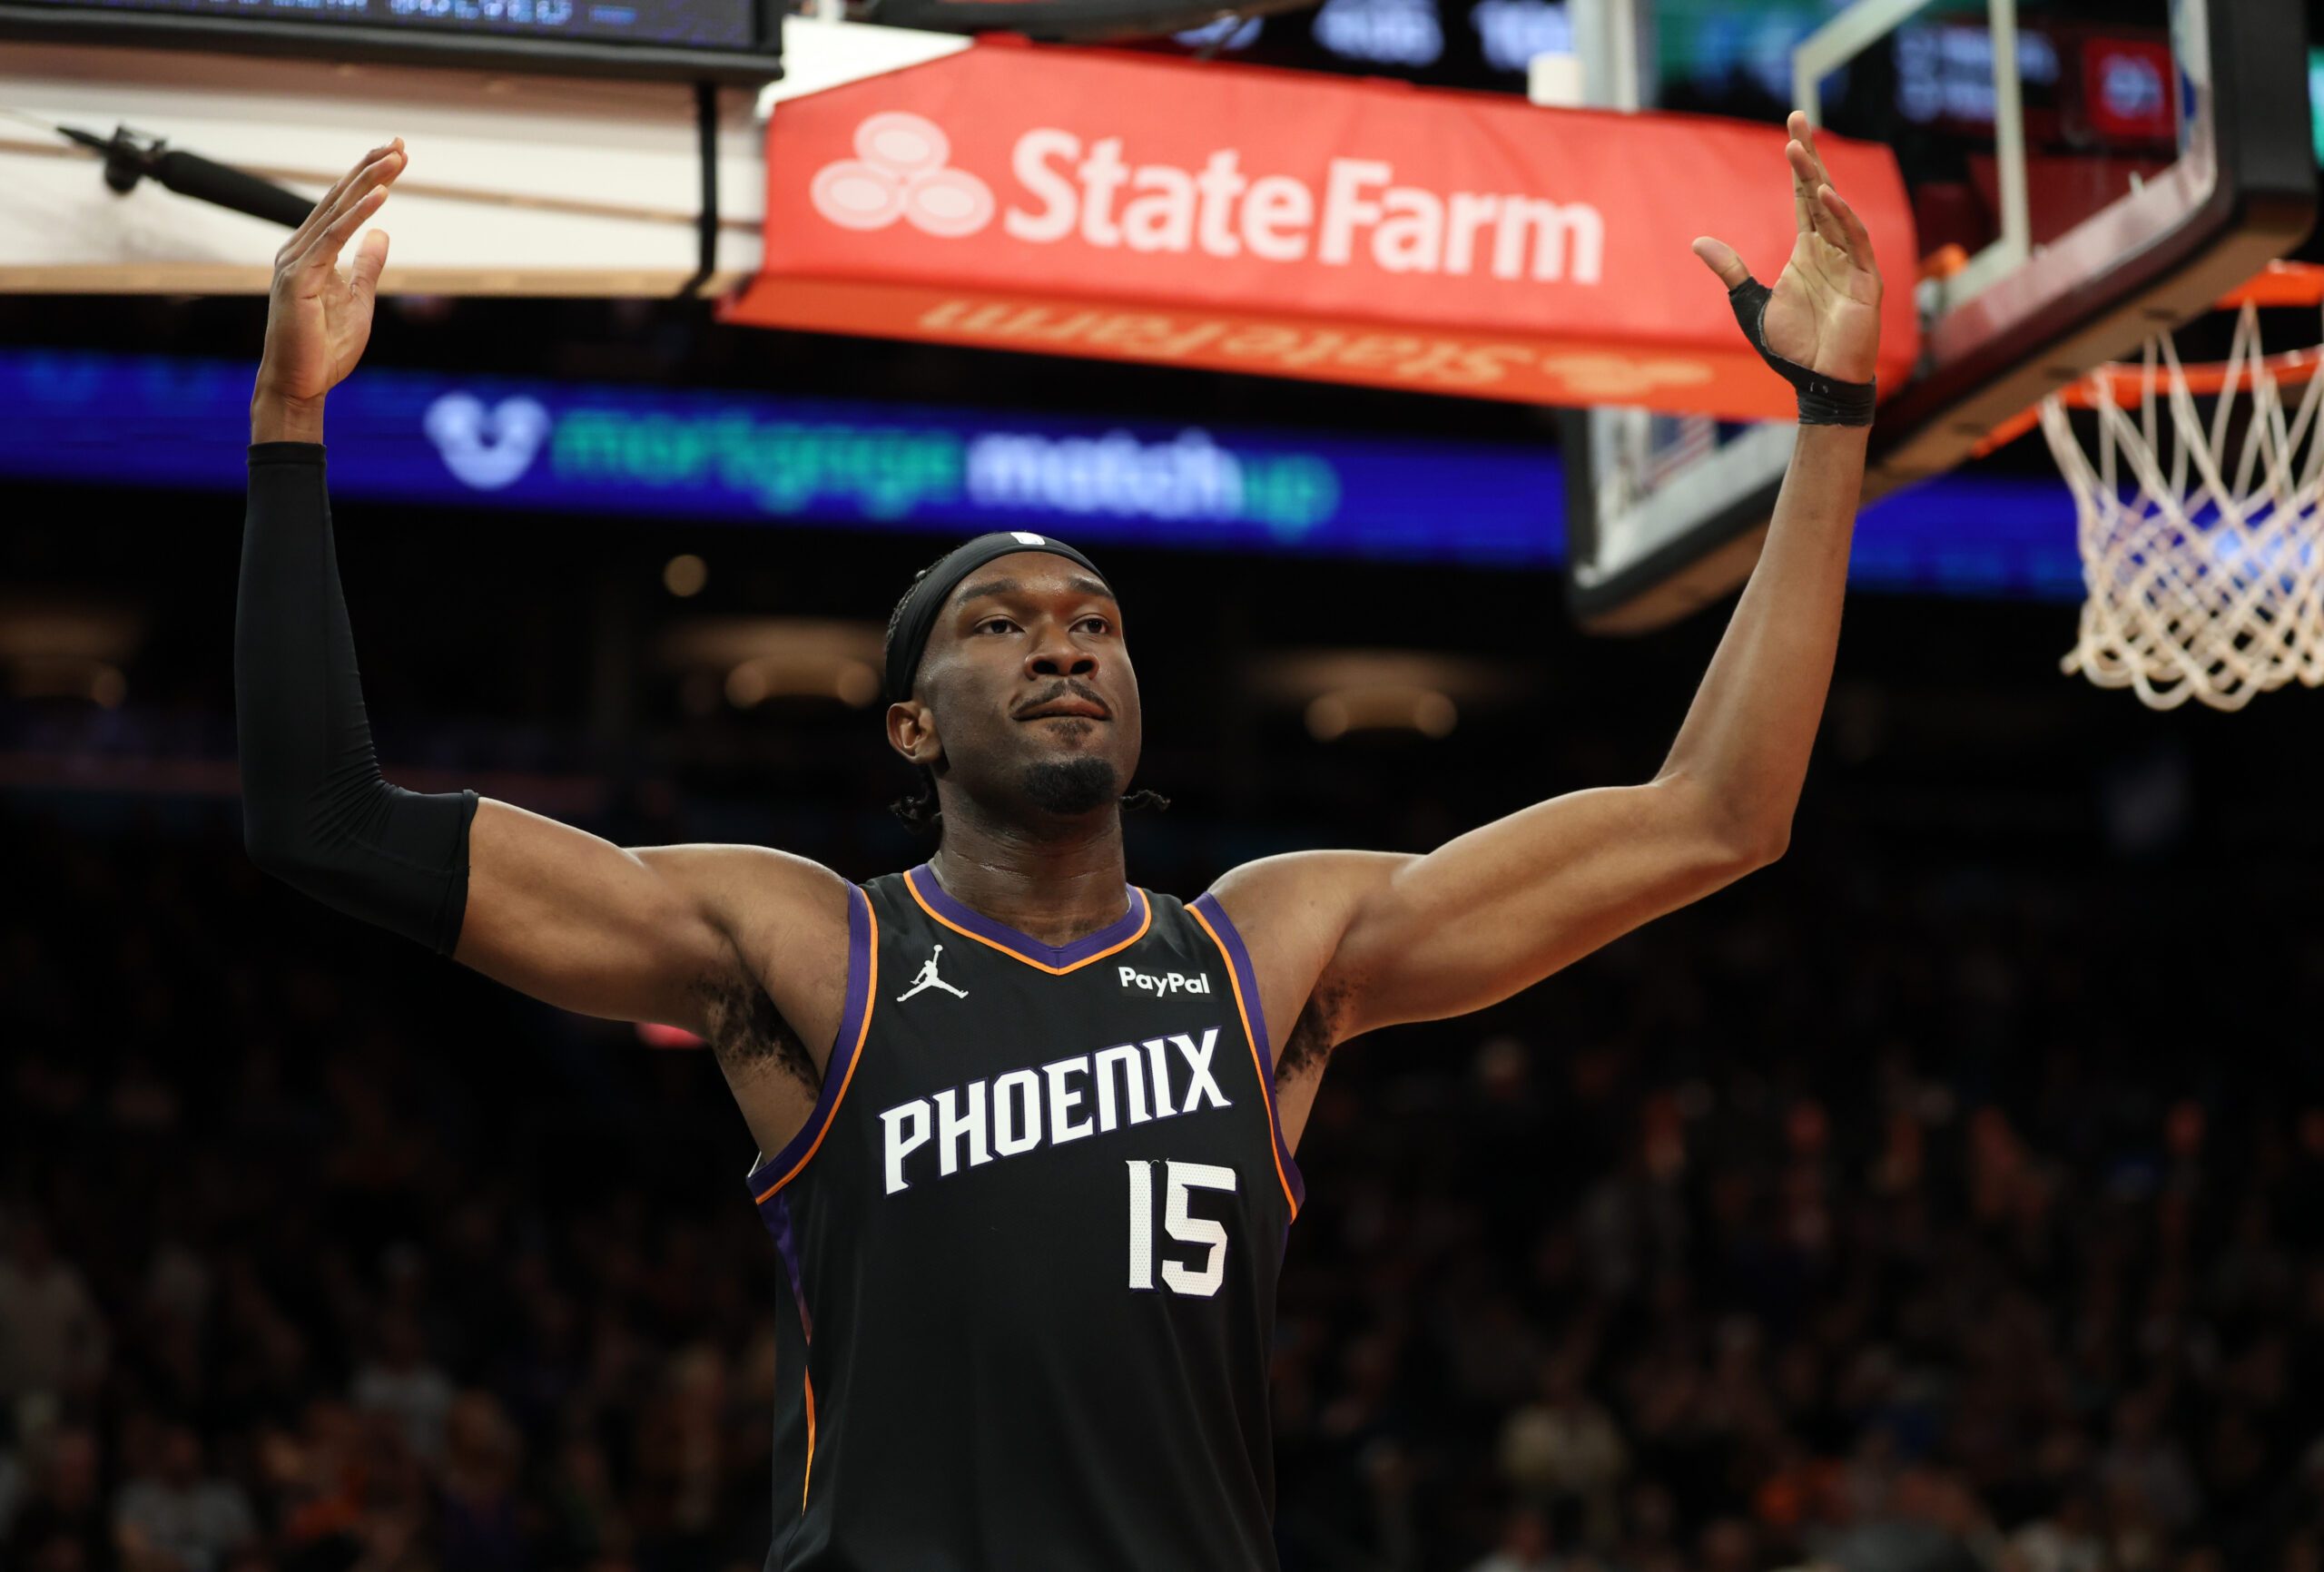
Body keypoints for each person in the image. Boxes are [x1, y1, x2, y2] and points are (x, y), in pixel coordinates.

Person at [236, 113, 1884, 1570]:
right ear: (911, 725)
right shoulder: (815, 949)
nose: (1063, 643)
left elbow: (1714, 818)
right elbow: (325, 823)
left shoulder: (1269, 953)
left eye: (1096, 621)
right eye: (1000, 625)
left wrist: (1829, 420)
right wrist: (291, 419)